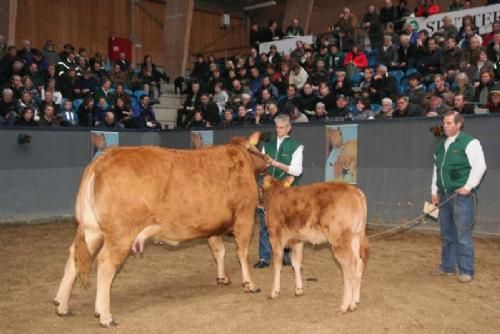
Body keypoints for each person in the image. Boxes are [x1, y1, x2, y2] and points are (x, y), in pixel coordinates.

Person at [430, 111, 487, 283]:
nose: (445, 126)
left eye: (448, 123)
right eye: (444, 123)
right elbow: (436, 170)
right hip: (444, 194)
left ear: (458, 124)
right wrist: (434, 191)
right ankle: (447, 266)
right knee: (447, 233)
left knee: (462, 234)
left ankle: (466, 270)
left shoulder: (470, 142)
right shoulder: (440, 145)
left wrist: (468, 186)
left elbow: (480, 166)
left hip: (462, 196)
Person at [254, 114, 304, 269]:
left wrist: (275, 163)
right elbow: (261, 165)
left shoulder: (296, 146)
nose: (279, 130)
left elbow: (297, 171)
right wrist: (264, 165)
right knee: (266, 223)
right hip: (269, 189)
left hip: (287, 189)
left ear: (289, 128)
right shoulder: (266, 144)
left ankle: (286, 255)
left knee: (287, 222)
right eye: (277, 127)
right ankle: (264, 256)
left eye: (282, 127)